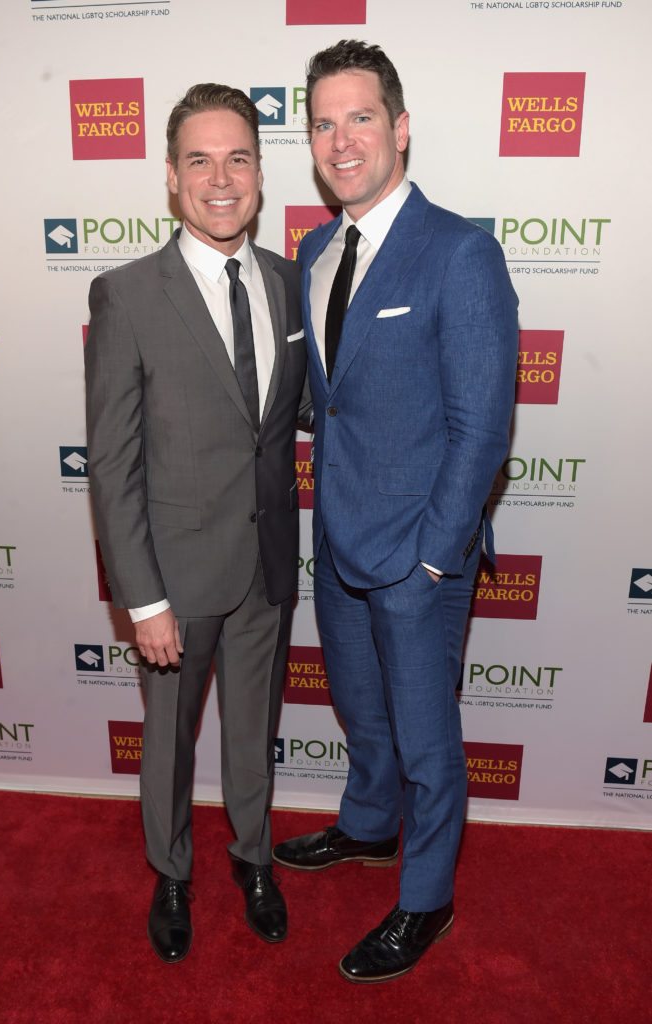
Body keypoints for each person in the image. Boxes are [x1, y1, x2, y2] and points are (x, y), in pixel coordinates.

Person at [273, 41, 519, 983]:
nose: (342, 140)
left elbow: (481, 426)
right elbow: (328, 401)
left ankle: (425, 898)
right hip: (334, 539)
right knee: (362, 712)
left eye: (360, 117)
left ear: (400, 127)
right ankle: (369, 829)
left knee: (425, 738)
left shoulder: (458, 251)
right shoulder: (313, 249)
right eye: (324, 123)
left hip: (419, 552)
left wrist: (433, 557)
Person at [85, 83, 309, 963]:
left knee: (254, 729)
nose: (222, 180)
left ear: (259, 171)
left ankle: (253, 859)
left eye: (239, 158)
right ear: (172, 179)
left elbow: (291, 416)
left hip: (268, 562)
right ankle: (170, 871)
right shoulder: (128, 295)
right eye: (200, 161)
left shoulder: (289, 282)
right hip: (175, 576)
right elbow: (112, 461)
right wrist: (141, 600)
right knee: (170, 743)